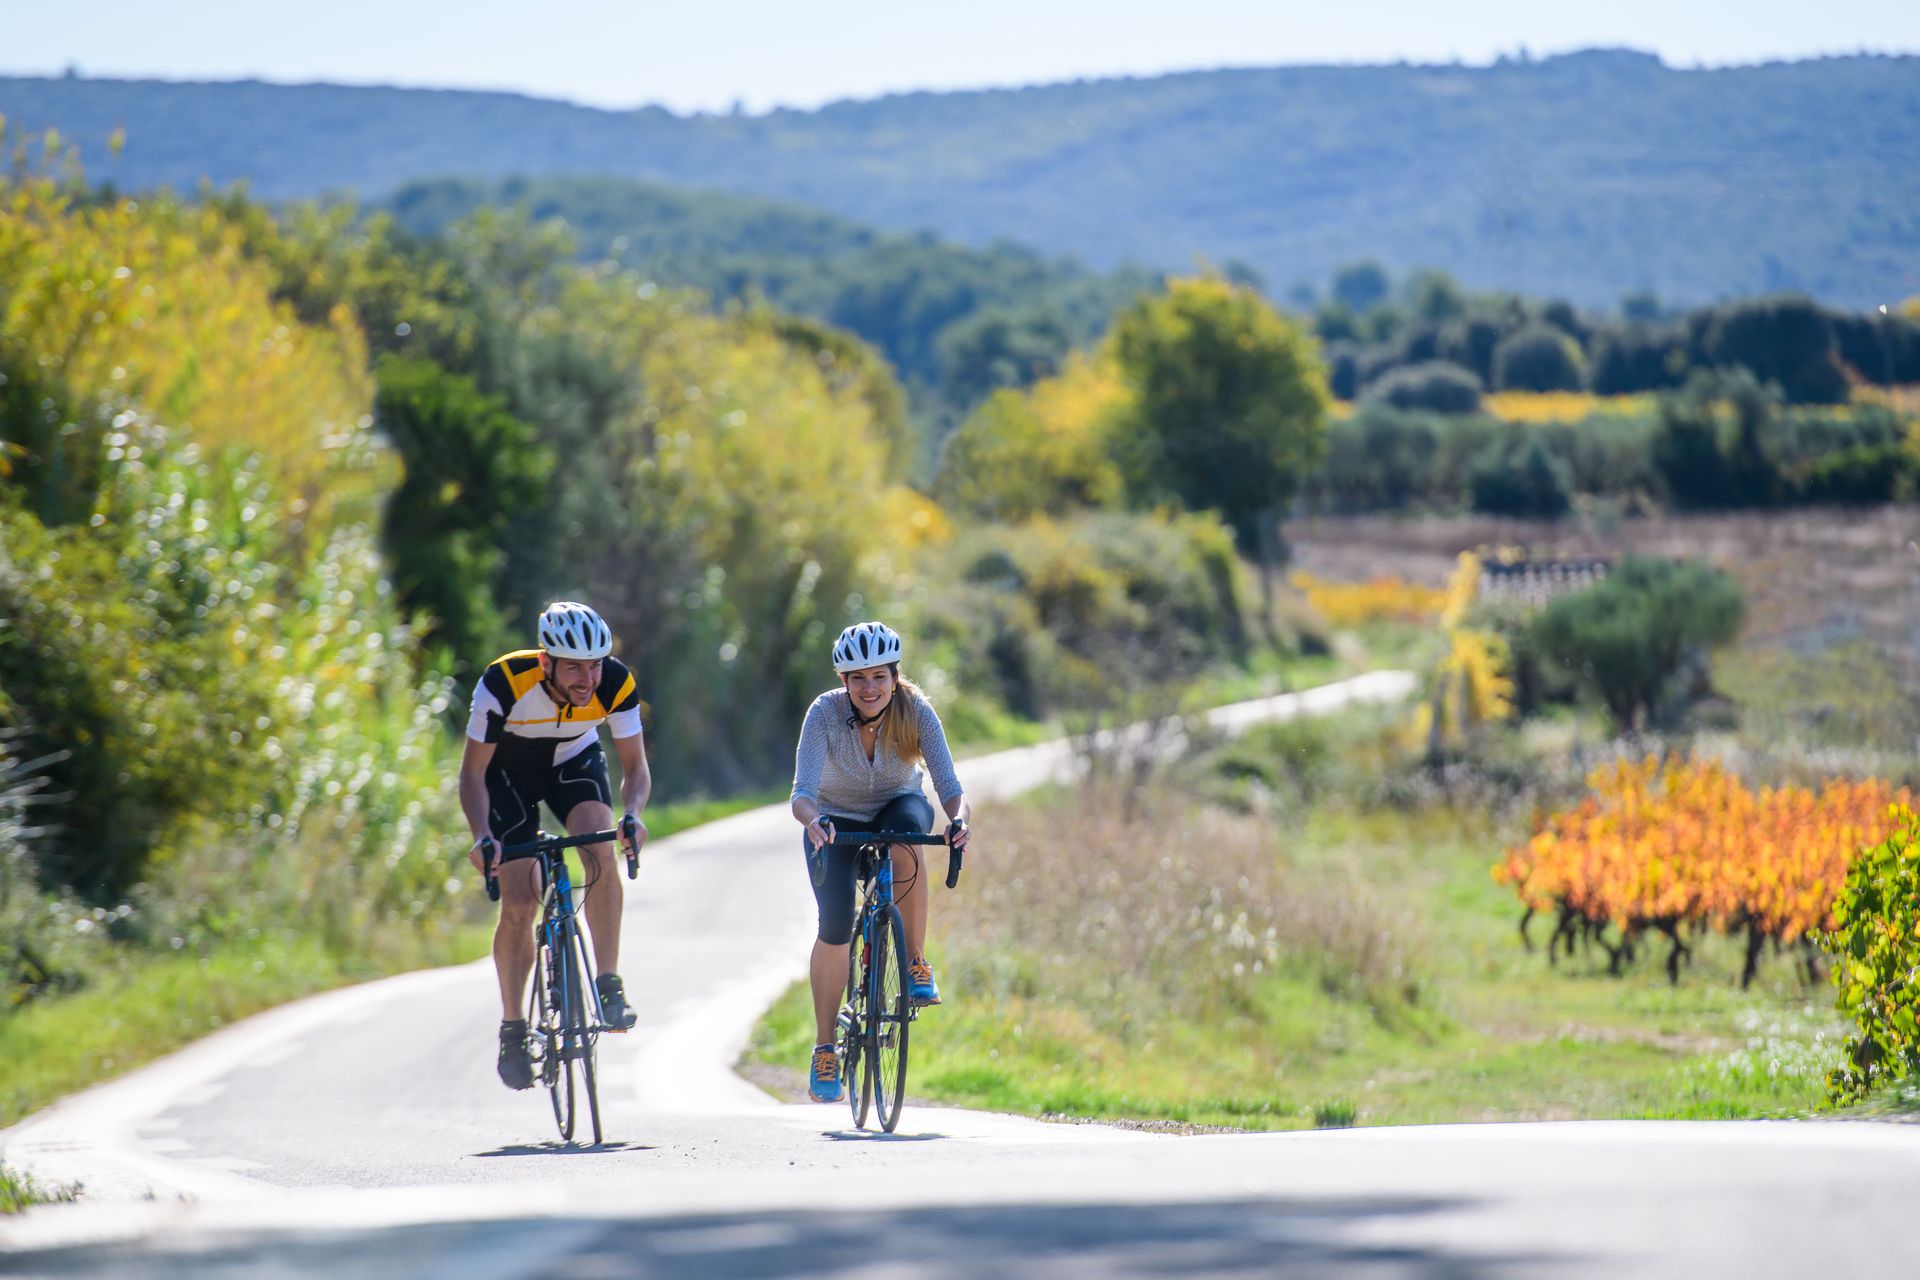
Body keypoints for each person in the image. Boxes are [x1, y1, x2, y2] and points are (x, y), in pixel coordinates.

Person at [461, 601, 650, 1090]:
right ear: (546, 662)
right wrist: (482, 834)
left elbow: (635, 769)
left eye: (594, 665)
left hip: (572, 759)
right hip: (506, 774)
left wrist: (632, 816)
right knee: (521, 904)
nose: (587, 677)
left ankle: (608, 983)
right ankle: (513, 1029)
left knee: (601, 848)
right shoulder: (503, 681)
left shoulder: (615, 681)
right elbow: (473, 774)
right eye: (574, 667)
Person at [791, 620, 971, 1104]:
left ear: (895, 676)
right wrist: (812, 823)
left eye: (879, 677)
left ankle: (914, 962)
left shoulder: (918, 712)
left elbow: (951, 789)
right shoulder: (823, 715)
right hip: (834, 819)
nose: (869, 688)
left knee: (907, 837)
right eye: (858, 679)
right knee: (834, 927)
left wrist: (959, 822)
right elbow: (802, 795)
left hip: (897, 804)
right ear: (843, 682)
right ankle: (826, 1047)